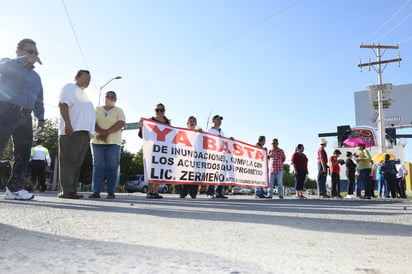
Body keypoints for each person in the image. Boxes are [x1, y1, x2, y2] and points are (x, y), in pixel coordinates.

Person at [0, 38, 44, 200]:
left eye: (35, 53)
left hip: (26, 115)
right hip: (5, 110)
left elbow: (39, 98)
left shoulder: (36, 76)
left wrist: (41, 118)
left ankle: (14, 189)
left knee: (23, 153)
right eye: (30, 51)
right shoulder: (8, 63)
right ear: (18, 51)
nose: (34, 55)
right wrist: (24, 60)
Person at [58, 70, 95, 199]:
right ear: (76, 77)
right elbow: (63, 105)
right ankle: (67, 191)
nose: (87, 82)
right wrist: (68, 125)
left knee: (77, 164)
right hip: (72, 131)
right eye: (85, 78)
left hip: (84, 134)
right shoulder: (70, 88)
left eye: (89, 80)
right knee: (68, 162)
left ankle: (72, 190)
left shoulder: (84, 95)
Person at [89, 91, 125, 199]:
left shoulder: (119, 110)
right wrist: (101, 132)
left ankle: (111, 192)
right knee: (98, 165)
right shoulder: (97, 109)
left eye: (112, 97)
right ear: (104, 98)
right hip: (97, 140)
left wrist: (106, 132)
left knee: (112, 166)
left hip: (113, 142)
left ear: (115, 99)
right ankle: (96, 191)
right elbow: (92, 122)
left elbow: (121, 123)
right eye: (108, 96)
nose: (110, 98)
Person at [139, 103, 170, 199]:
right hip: (152, 149)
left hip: (162, 150)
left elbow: (171, 137)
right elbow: (142, 136)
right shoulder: (150, 121)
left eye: (161, 110)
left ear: (164, 111)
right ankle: (149, 191)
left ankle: (156, 192)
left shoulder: (168, 123)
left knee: (159, 171)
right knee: (151, 170)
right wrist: (141, 126)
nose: (159, 112)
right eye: (157, 110)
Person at [206, 115, 228, 199]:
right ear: (213, 121)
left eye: (220, 120)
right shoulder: (210, 130)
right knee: (212, 173)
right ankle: (210, 192)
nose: (219, 121)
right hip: (212, 155)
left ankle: (219, 192)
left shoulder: (222, 132)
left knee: (221, 173)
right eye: (218, 119)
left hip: (221, 156)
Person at [179, 116, 200, 199]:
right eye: (190, 121)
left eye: (193, 121)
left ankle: (193, 193)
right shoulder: (182, 133)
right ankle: (183, 192)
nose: (192, 123)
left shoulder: (199, 135)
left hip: (195, 159)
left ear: (195, 124)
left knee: (194, 176)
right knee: (184, 175)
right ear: (187, 123)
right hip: (185, 159)